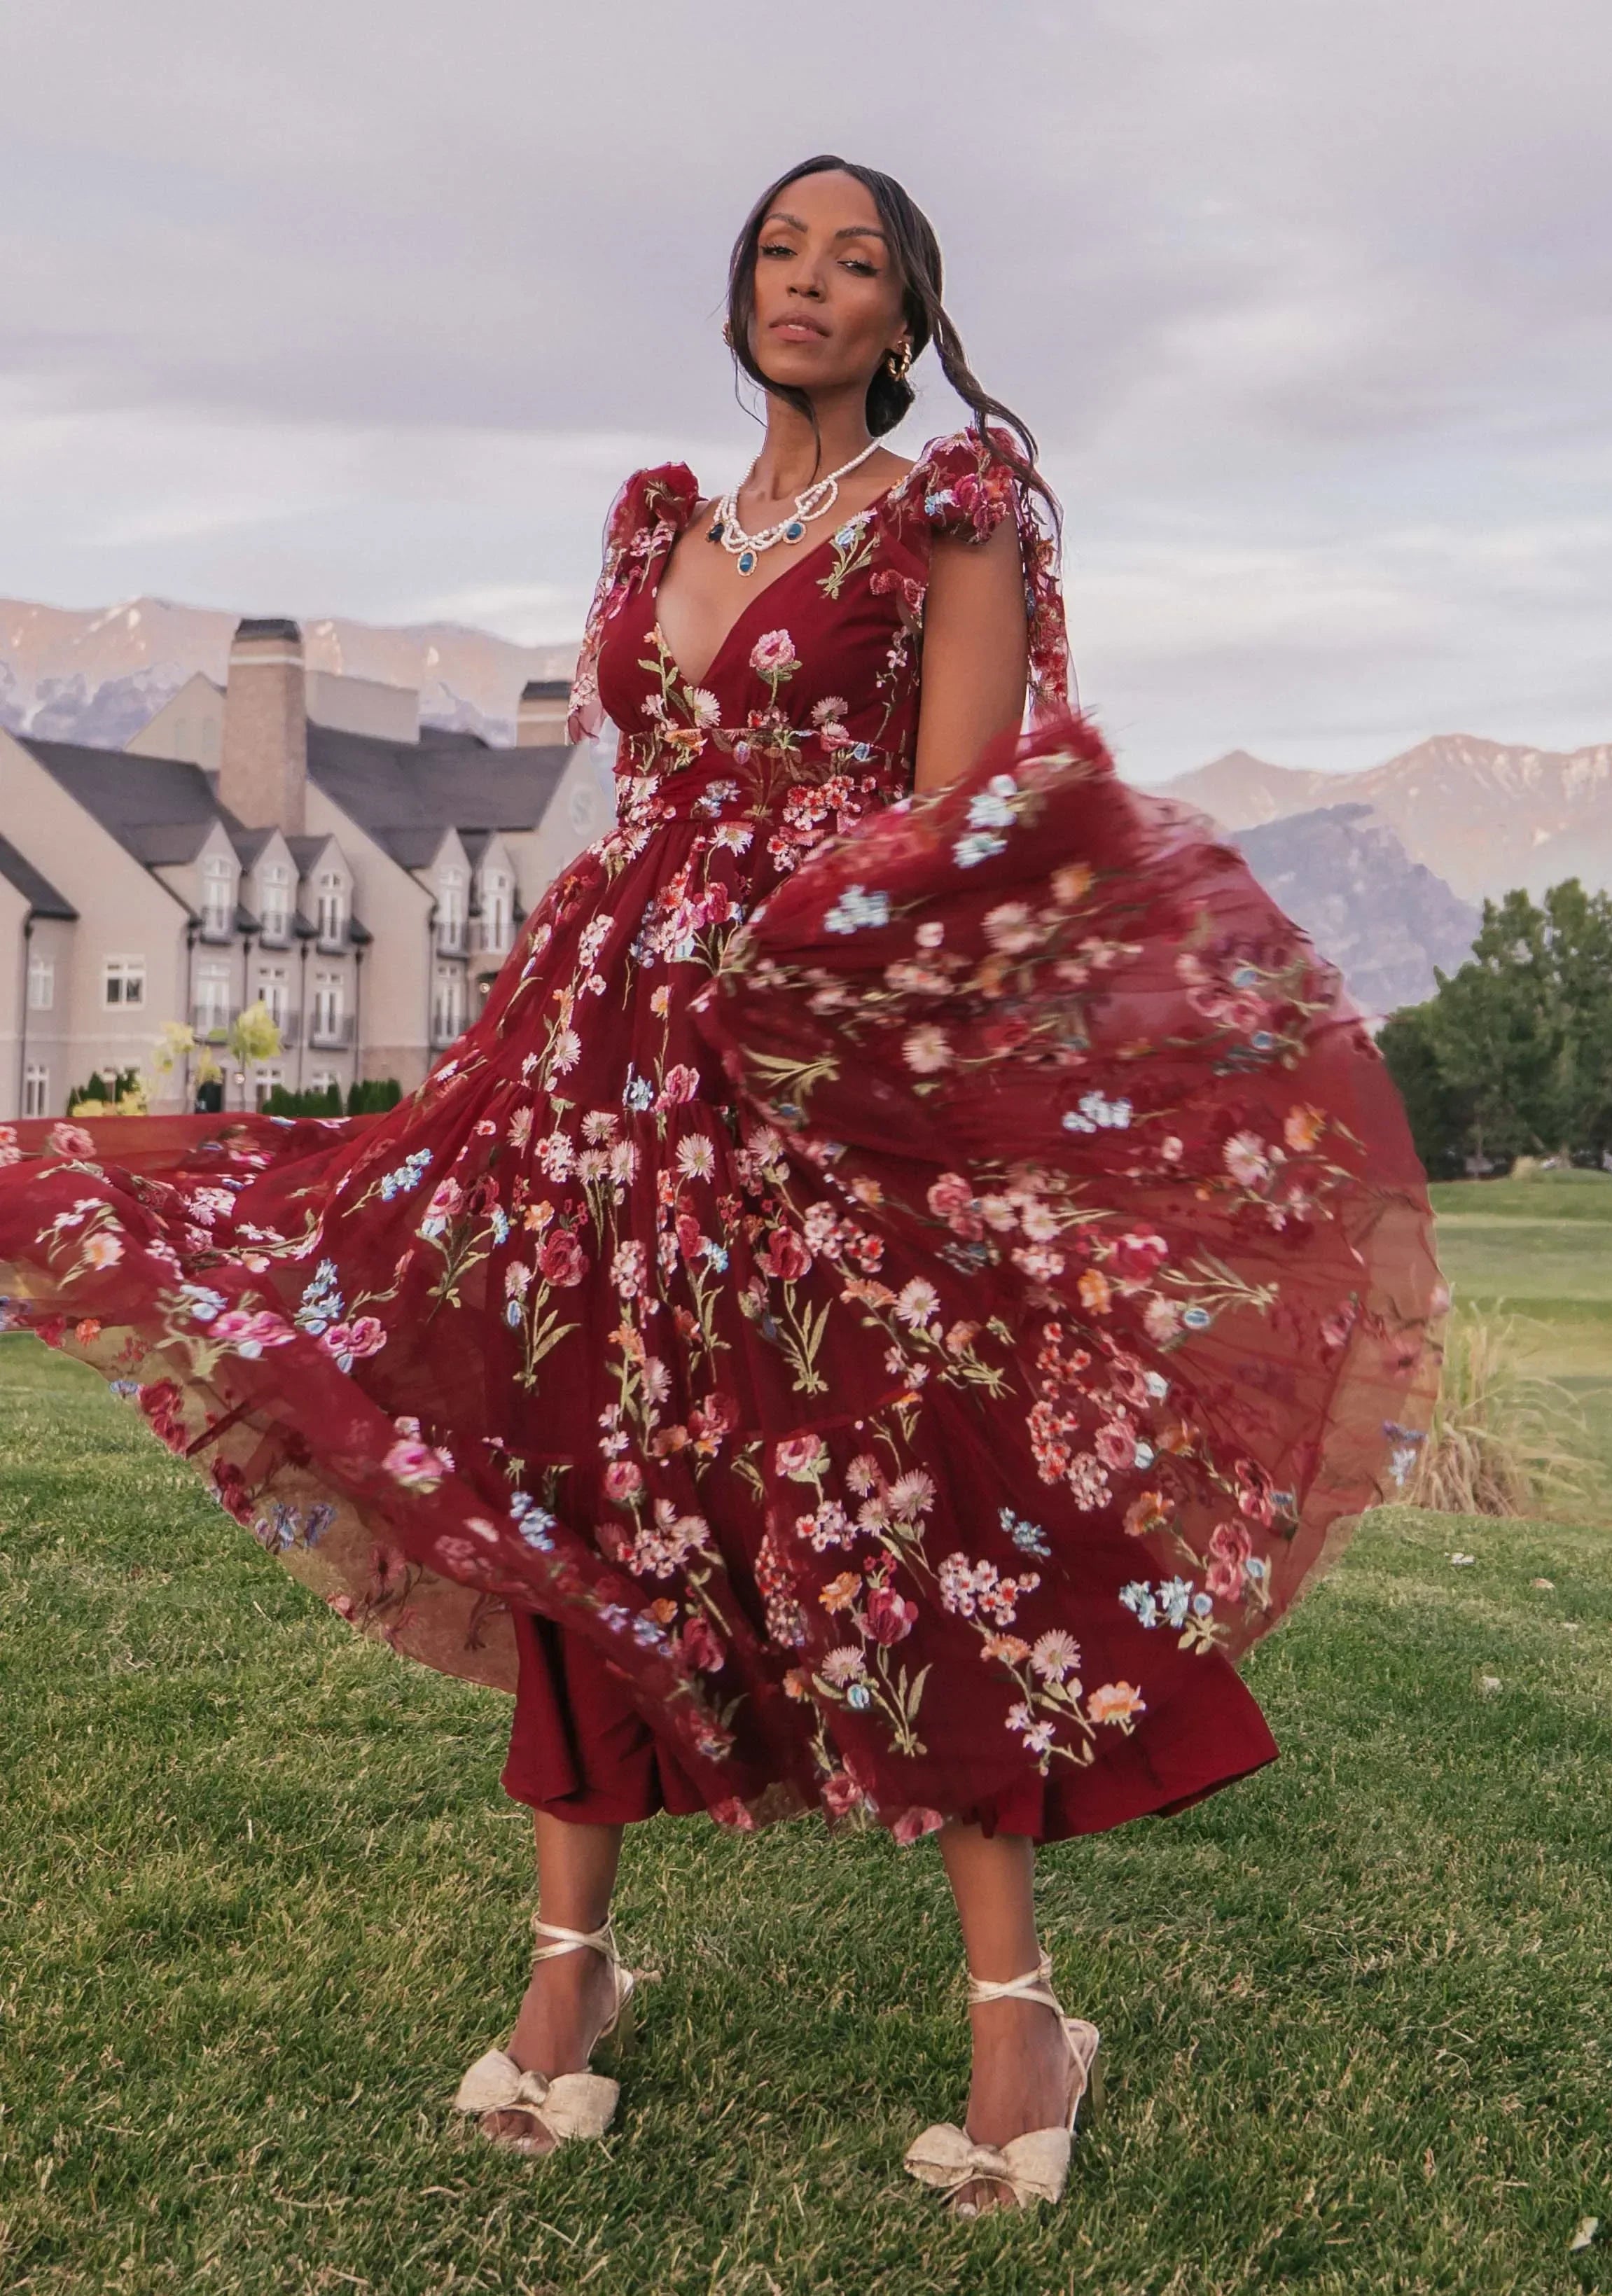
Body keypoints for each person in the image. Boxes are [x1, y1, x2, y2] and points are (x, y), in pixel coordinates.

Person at [0, 155, 1442, 2217]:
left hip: (810, 1065)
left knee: (910, 1483)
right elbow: (649, 781)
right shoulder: (657, 521)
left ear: (903, 317)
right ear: (740, 288)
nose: (811, 285)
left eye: (858, 265)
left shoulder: (951, 516)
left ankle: (1021, 2009)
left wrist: (837, 1030)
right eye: (783, 250)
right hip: (595, 1070)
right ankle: (571, 1975)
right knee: (572, 1476)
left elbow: (947, 834)